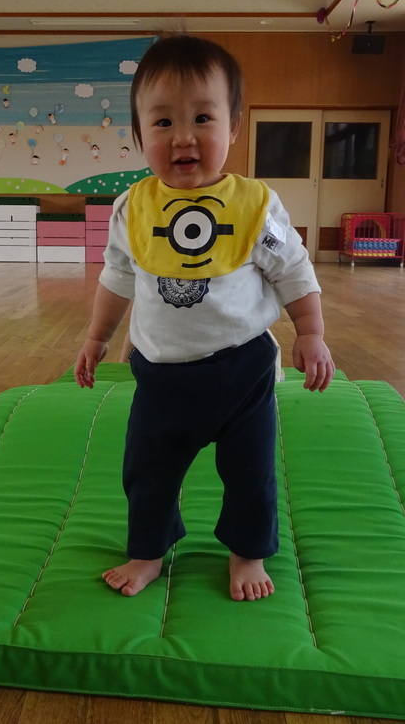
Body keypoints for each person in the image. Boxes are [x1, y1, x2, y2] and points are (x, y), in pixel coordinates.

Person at [74, 35, 335, 602]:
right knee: (147, 470)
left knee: (251, 472)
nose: (183, 137)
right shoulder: (131, 209)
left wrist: (310, 331)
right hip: (161, 374)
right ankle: (148, 551)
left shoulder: (255, 205)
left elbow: (293, 268)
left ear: (233, 127)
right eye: (163, 122)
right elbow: (117, 277)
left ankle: (247, 554)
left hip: (242, 371)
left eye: (202, 118)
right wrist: (97, 337)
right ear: (139, 134)